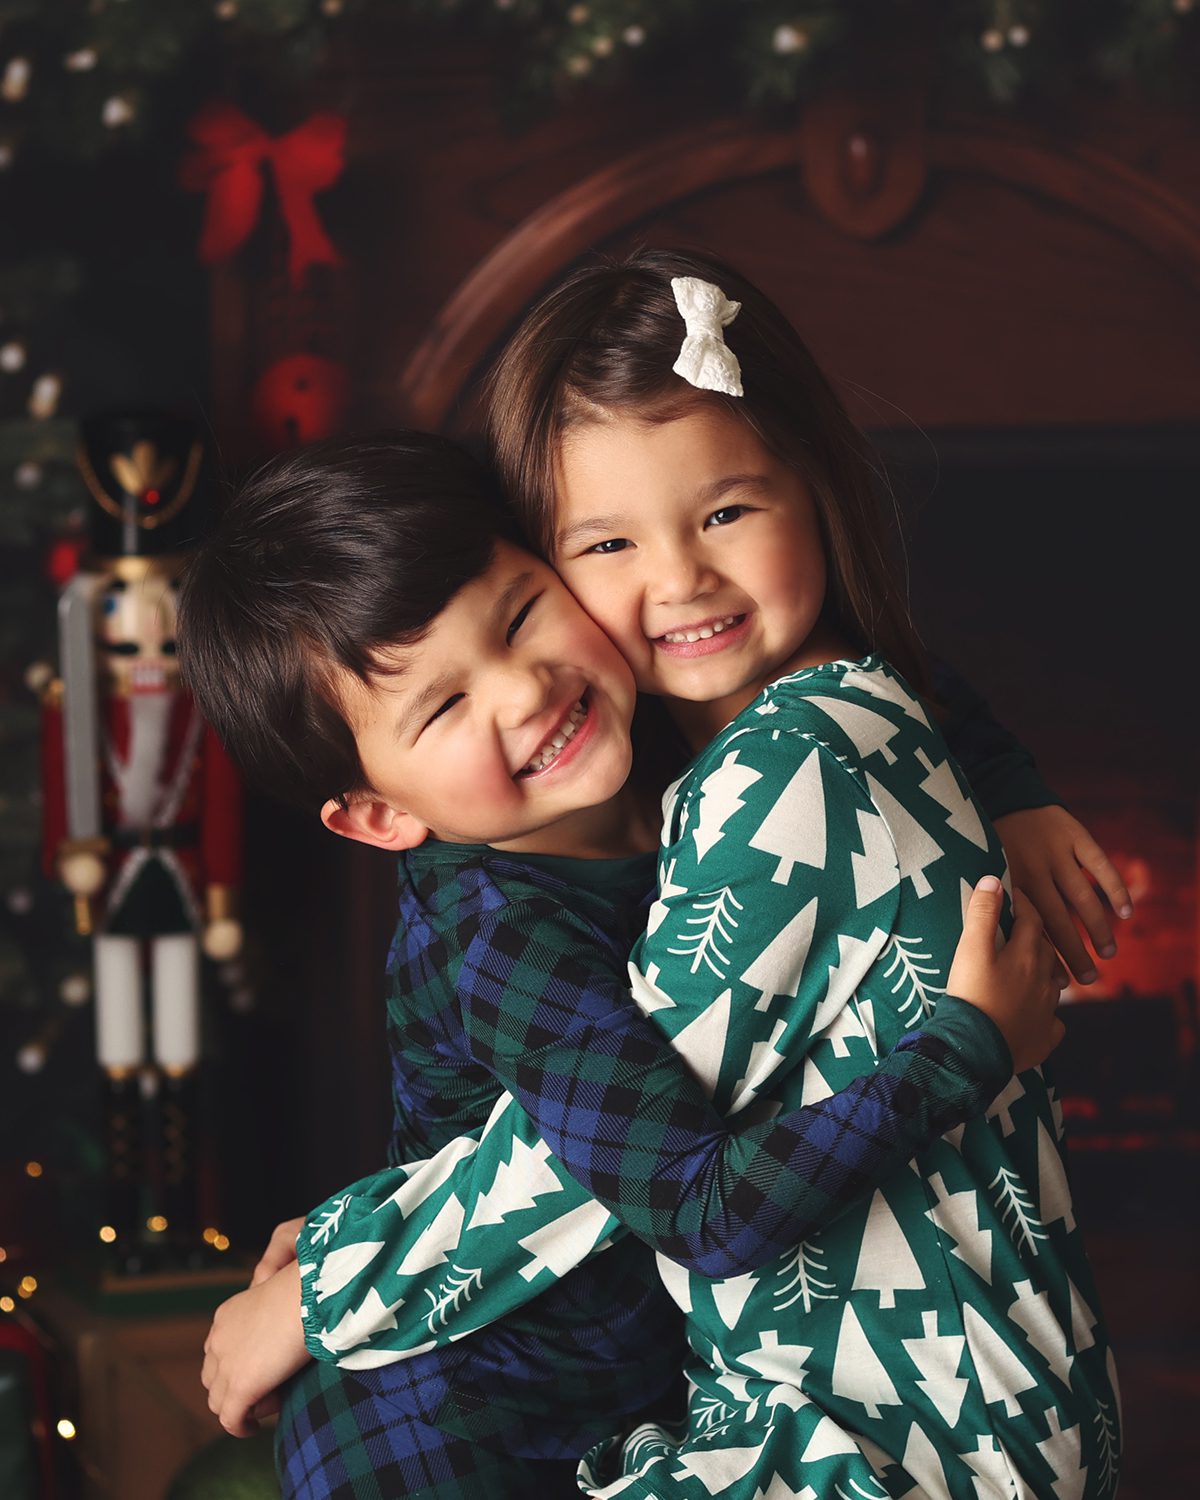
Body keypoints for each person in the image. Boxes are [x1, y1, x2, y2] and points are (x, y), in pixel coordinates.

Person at [252, 252, 1125, 1498]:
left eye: (726, 514)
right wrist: (347, 1270)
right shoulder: (634, 785)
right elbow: (624, 1149)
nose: (679, 581)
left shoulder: (767, 766)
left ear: (814, 486)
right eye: (608, 541)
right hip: (491, 1377)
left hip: (811, 1399)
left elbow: (637, 1170)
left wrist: (329, 1286)